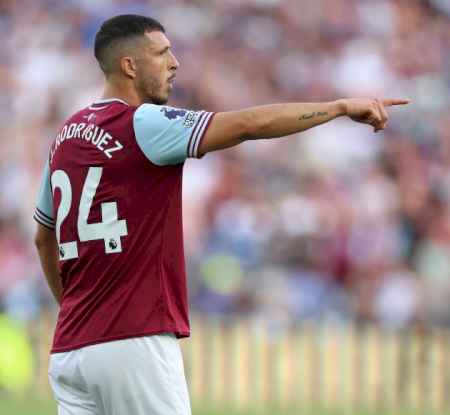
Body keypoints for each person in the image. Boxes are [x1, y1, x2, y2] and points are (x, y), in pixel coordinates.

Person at [33, 14, 409, 415]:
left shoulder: (65, 136)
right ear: (130, 65)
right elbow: (249, 125)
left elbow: (43, 237)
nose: (174, 62)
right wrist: (337, 107)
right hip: (133, 341)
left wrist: (73, 308)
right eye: (161, 53)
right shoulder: (142, 122)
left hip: (71, 350)